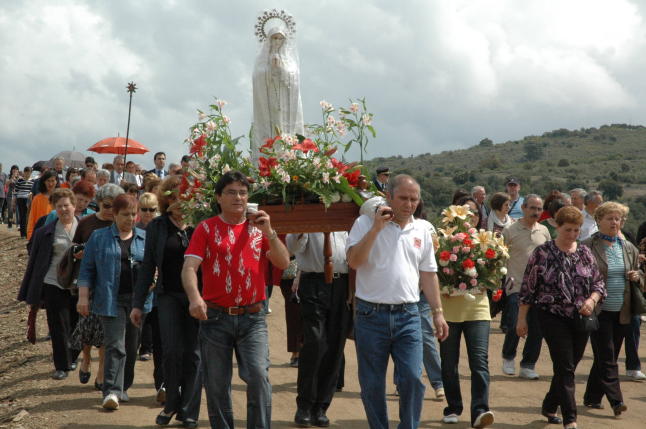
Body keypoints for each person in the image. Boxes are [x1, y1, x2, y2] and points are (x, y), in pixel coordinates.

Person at [181, 170, 290, 428]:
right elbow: (188, 268)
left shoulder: (260, 229)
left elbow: (283, 262)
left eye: (242, 192)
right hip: (215, 317)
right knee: (217, 385)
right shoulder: (205, 228)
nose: (238, 197)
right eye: (231, 192)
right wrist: (195, 298)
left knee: (259, 377)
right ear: (219, 197)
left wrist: (270, 232)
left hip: (253, 317)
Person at [346, 174, 449, 429]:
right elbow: (354, 262)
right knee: (372, 383)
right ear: (388, 197)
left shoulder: (423, 229)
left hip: (409, 315)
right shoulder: (364, 222)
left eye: (414, 199)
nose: (409, 204)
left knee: (413, 379)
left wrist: (437, 312)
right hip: (371, 315)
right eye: (403, 198)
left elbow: (428, 273)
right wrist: (375, 229)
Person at [518, 206, 606, 428]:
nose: (573, 235)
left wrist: (592, 300)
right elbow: (528, 289)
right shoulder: (542, 253)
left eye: (577, 230)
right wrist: (521, 320)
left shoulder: (585, 253)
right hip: (551, 315)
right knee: (565, 366)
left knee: (570, 365)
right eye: (568, 230)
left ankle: (549, 404)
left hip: (581, 316)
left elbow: (598, 284)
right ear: (557, 227)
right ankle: (570, 418)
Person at [131, 177, 201, 428]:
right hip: (168, 295)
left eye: (185, 197)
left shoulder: (201, 224)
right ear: (166, 200)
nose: (180, 202)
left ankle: (189, 409)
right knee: (171, 351)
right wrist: (138, 304)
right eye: (173, 197)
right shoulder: (157, 227)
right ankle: (172, 401)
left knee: (193, 353)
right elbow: (148, 265)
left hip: (197, 297)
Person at [77, 193, 151, 410]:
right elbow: (87, 269)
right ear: (115, 215)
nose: (130, 218)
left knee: (131, 345)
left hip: (138, 301)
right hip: (110, 299)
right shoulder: (99, 237)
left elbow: (153, 267)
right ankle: (111, 391)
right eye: (125, 214)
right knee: (115, 345)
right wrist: (83, 297)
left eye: (134, 214)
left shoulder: (144, 239)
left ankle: (124, 387)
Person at [582, 202, 643, 417]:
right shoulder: (587, 245)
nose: (614, 222)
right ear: (598, 220)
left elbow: (640, 275)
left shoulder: (628, 248)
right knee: (607, 357)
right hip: (598, 310)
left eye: (618, 219)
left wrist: (637, 276)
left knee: (606, 356)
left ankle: (591, 397)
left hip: (622, 310)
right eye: (609, 218)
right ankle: (616, 401)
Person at [286, 232, 351, 427]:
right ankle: (305, 405)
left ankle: (321, 406)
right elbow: (293, 247)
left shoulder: (347, 214)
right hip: (313, 280)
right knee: (315, 342)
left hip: (343, 284)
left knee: (335, 346)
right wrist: (303, 227)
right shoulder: (310, 211)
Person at [18, 188, 80, 379]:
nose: (63, 210)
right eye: (59, 206)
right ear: (54, 208)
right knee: (58, 324)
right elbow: (35, 260)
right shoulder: (46, 231)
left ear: (74, 206)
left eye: (66, 206)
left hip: (80, 285)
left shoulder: (85, 228)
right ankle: (61, 365)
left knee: (76, 323)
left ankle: (73, 356)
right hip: (53, 282)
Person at [71, 183, 125, 391]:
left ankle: (102, 370)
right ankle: (86, 358)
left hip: (111, 285)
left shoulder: (121, 225)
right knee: (86, 328)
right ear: (99, 203)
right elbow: (73, 246)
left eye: (115, 206)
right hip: (89, 284)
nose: (111, 210)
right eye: (107, 205)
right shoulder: (86, 223)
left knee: (105, 331)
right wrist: (78, 253)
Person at [500, 195, 551, 380]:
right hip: (516, 284)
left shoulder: (544, 231)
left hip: (539, 288)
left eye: (539, 209)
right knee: (515, 322)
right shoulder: (510, 230)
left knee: (537, 328)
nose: (535, 212)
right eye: (532, 208)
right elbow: (499, 255)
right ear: (523, 208)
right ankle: (508, 356)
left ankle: (528, 365)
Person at [251, 23, 304, 163]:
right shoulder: (262, 60)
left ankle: (289, 157)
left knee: (285, 130)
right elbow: (257, 78)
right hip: (270, 100)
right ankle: (270, 158)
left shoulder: (290, 62)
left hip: (286, 102)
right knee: (273, 129)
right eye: (274, 38)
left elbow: (294, 79)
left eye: (280, 38)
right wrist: (270, 69)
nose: (277, 42)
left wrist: (281, 69)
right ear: (269, 39)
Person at [26, 170, 57, 240]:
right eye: (48, 181)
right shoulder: (37, 198)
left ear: (56, 181)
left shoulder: (60, 197)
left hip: (56, 234)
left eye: (53, 181)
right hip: (40, 235)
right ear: (44, 182)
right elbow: (32, 218)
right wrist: (30, 235)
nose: (50, 184)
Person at [15, 167, 33, 238]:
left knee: (28, 216)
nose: (27, 174)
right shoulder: (19, 180)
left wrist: (31, 193)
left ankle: (27, 233)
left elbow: (33, 190)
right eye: (26, 172)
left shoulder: (33, 181)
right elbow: (16, 191)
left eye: (29, 172)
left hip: (29, 199)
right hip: (20, 199)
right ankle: (23, 234)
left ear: (31, 173)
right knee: (22, 216)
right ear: (24, 172)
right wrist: (14, 201)